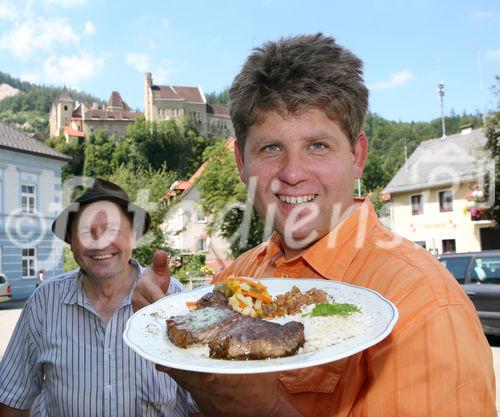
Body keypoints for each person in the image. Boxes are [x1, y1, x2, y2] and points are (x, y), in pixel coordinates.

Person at [133, 34, 497, 416]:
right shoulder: (238, 276)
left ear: (357, 156)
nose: (292, 173)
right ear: (241, 162)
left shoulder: (422, 303)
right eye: (271, 148)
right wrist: (170, 322)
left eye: (317, 146)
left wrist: (267, 410)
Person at [0, 179, 195, 417]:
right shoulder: (45, 301)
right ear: (71, 242)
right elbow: (12, 399)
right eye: (84, 231)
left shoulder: (171, 297)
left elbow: (199, 402)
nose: (99, 241)